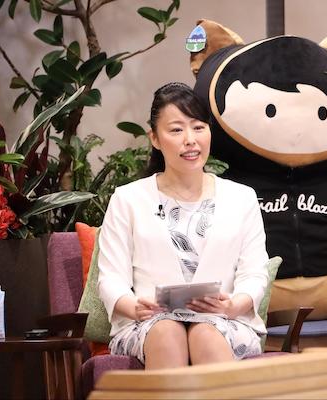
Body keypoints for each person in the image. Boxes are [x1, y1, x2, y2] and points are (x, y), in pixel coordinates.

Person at [97, 82, 269, 369]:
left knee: (206, 334)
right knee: (167, 331)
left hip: (224, 321)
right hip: (148, 322)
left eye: (198, 127)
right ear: (155, 138)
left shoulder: (242, 197)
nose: (190, 140)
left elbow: (254, 273)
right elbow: (111, 278)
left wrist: (233, 305)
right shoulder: (128, 199)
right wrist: (134, 307)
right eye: (176, 130)